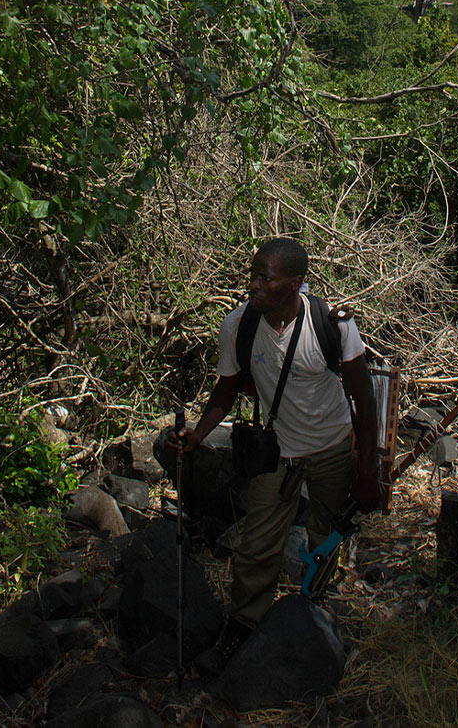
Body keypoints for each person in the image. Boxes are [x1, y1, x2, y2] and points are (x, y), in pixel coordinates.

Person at [165, 237, 380, 673]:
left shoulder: (333, 326)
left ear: (296, 283)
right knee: (256, 545)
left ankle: (315, 610)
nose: (254, 285)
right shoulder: (239, 326)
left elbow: (363, 398)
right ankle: (243, 627)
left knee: (325, 534)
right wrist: (196, 436)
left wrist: (368, 469)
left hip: (333, 447)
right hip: (276, 452)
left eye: (266, 277)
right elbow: (224, 392)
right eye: (252, 274)